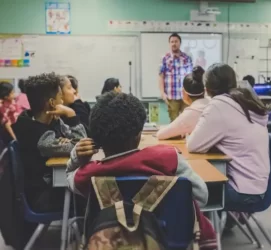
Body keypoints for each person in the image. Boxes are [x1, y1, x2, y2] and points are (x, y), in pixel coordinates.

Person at [66, 92, 217, 249]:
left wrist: (77, 157)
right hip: (169, 242)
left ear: (97, 140)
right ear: (139, 135)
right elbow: (201, 196)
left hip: (114, 242)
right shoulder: (168, 158)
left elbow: (69, 177)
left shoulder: (89, 174)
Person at [187, 63, 270, 210]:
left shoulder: (219, 105)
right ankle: (224, 222)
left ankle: (206, 231)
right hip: (259, 187)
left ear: (206, 88)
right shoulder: (244, 101)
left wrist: (189, 134)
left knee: (184, 190)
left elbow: (193, 145)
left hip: (242, 192)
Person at [12, 73, 87, 212]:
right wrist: (71, 114)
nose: (63, 102)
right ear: (52, 103)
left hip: (49, 187)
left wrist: (67, 141)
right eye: (60, 97)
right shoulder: (41, 138)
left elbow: (74, 141)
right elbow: (83, 146)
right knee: (91, 194)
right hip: (43, 197)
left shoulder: (45, 121)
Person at [157, 66, 209, 140]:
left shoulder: (190, 113)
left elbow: (160, 135)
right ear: (205, 90)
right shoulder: (212, 104)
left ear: (184, 93)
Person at [159, 33, 193, 122]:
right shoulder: (165, 58)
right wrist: (163, 93)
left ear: (180, 43)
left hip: (185, 96)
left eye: (176, 41)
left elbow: (191, 77)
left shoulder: (187, 58)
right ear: (169, 44)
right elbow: (161, 76)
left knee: (187, 121)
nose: (174, 43)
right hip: (171, 96)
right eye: (172, 42)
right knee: (174, 122)